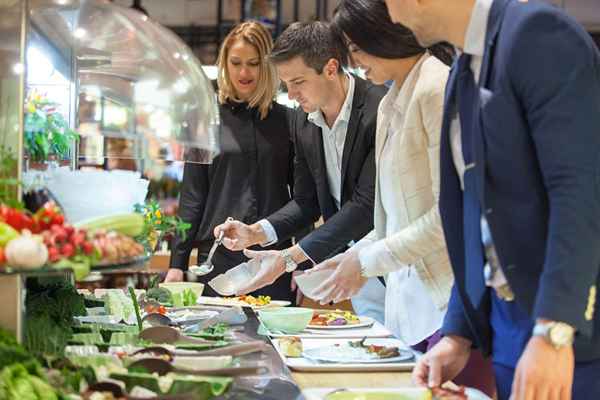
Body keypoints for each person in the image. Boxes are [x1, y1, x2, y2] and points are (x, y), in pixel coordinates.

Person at [384, 0, 600, 399]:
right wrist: (458, 333)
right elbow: (479, 215)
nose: (391, 16)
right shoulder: (463, 69)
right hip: (507, 325)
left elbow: (580, 191)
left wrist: (554, 330)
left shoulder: (537, 34)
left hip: (569, 331)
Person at [303, 1, 494, 396]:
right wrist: (350, 259)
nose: (355, 64)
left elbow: (448, 217)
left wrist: (366, 261)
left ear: (384, 33)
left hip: (447, 310)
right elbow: (390, 220)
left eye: (356, 50)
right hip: (407, 310)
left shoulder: (435, 87)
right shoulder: (390, 101)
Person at [214, 22, 387, 320]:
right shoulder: (304, 121)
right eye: (286, 85)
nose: (291, 95)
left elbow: (365, 204)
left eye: (298, 82)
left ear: (331, 68)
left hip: (393, 262)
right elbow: (307, 202)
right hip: (348, 268)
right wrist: (256, 232)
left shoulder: (378, 109)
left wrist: (288, 259)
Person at [166, 21, 298, 303]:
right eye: (236, 62)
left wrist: (299, 261)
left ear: (267, 65)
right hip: (217, 258)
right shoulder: (203, 120)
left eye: (253, 63)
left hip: (272, 258)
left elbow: (301, 199)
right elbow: (192, 196)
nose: (243, 72)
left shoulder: (290, 122)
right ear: (224, 62)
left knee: (275, 343)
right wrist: (177, 262)